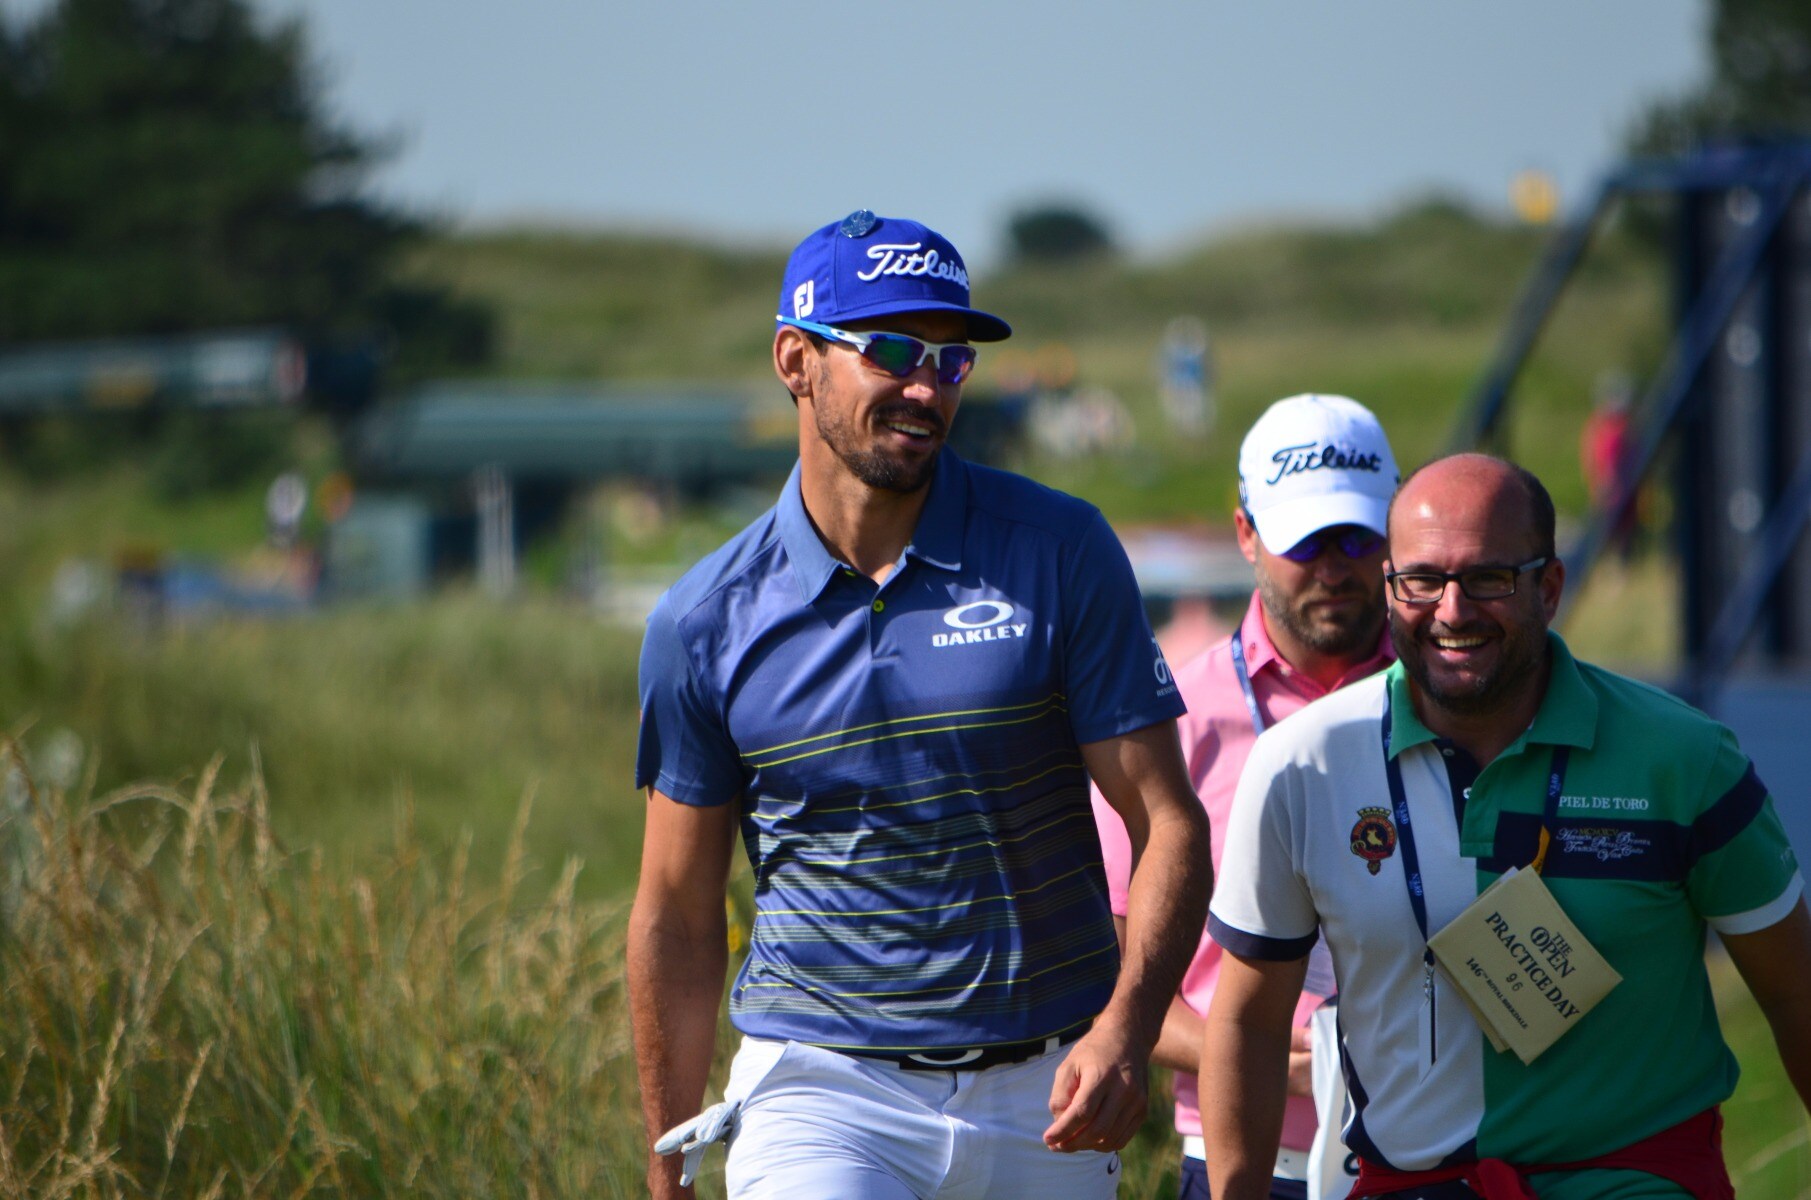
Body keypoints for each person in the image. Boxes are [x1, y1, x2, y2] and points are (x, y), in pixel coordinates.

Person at [628, 210, 1211, 1200]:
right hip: (820, 1091)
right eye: (891, 351)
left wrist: (1127, 1029)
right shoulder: (702, 619)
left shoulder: (1059, 549)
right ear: (794, 359)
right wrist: (665, 1153)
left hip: (1047, 1094)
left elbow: (1166, 824)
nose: (923, 387)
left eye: (949, 361)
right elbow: (679, 913)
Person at [1201, 453, 1811, 1200]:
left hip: (1631, 1183)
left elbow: (1795, 992)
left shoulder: (1682, 756)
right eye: (1422, 580)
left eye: (1487, 578)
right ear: (1390, 586)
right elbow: (1250, 1025)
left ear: (1548, 588)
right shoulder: (1300, 764)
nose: (1451, 611)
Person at [1092, 393, 1399, 1199]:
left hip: (1441, 1151)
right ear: (1246, 536)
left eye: (1357, 537)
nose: (1332, 566)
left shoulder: (1460, 703)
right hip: (1246, 1161)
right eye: (1304, 540)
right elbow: (1111, 973)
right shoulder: (1169, 723)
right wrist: (1251, 1048)